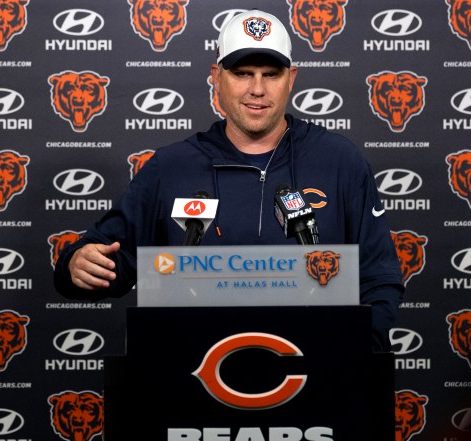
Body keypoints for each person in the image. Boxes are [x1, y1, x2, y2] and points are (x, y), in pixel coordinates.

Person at [54, 9, 404, 352]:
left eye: (271, 74)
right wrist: (78, 263)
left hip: (318, 384)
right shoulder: (171, 167)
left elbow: (379, 277)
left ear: (292, 78)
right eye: (242, 73)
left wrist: (353, 361)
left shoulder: (339, 161)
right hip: (193, 383)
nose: (257, 89)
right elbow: (104, 261)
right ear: (216, 76)